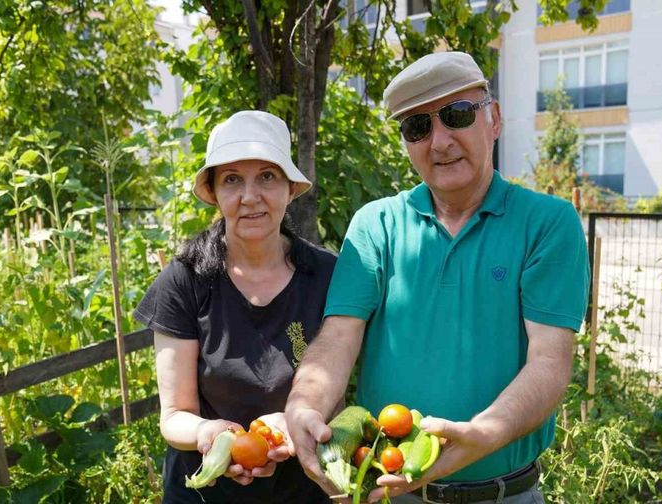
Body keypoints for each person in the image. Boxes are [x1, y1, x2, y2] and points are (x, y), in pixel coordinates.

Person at [285, 52, 590, 504]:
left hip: (505, 496)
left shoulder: (547, 223)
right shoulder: (376, 225)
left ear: (495, 120)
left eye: (457, 115)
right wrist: (303, 404)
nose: (440, 141)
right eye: (418, 127)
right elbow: (339, 335)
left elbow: (550, 361)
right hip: (389, 490)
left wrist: (485, 432)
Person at [134, 110, 336, 504]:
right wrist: (208, 434)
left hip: (302, 490)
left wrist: (294, 421)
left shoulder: (327, 276)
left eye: (267, 176)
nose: (250, 196)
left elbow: (338, 396)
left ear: (290, 188)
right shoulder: (185, 280)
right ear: (213, 192)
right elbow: (175, 413)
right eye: (232, 180)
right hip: (204, 491)